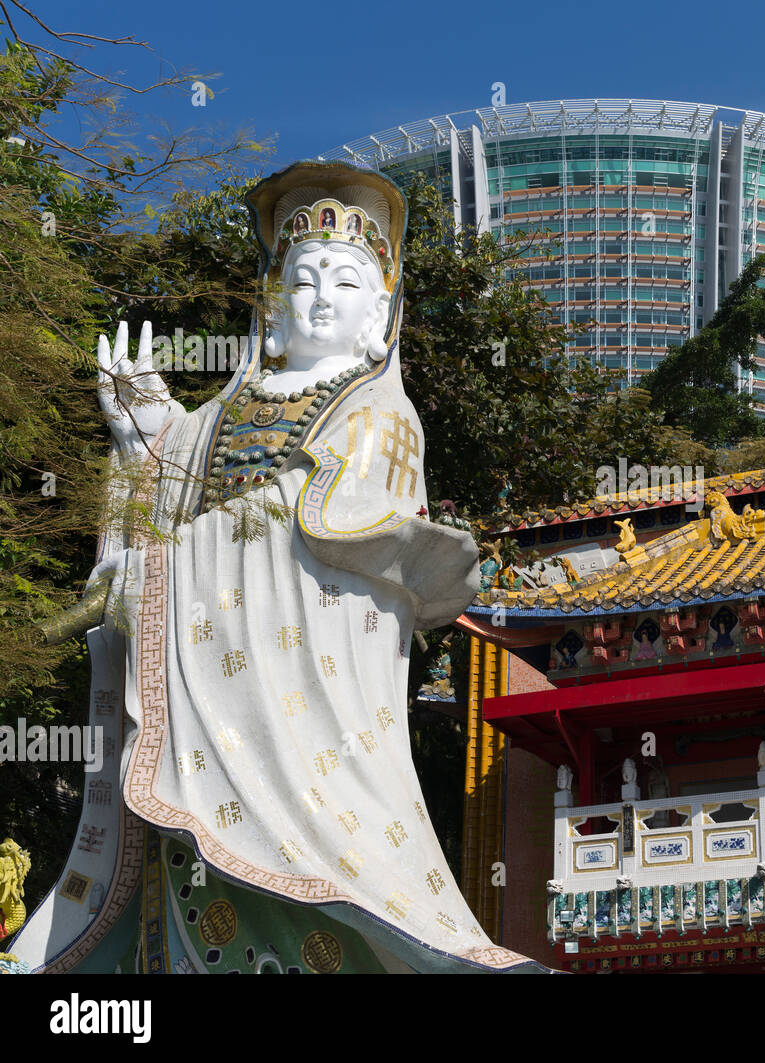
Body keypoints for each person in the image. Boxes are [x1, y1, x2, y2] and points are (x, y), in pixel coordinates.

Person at [10, 161, 543, 974]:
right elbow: (166, 514)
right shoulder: (218, 415)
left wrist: (161, 574)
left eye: (346, 280)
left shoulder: (382, 415)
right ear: (272, 302)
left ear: (381, 315)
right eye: (302, 278)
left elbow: (315, 520)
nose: (321, 296)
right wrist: (146, 436)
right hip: (191, 721)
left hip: (311, 734)